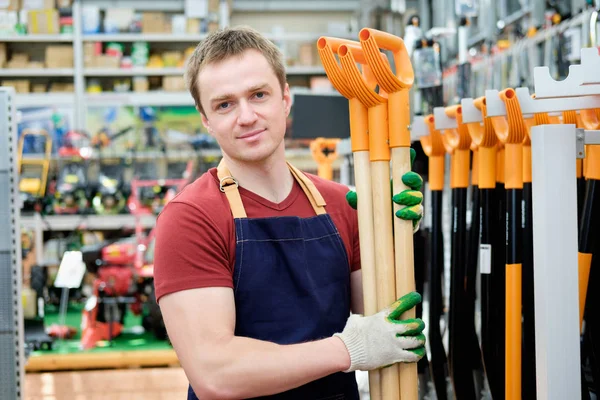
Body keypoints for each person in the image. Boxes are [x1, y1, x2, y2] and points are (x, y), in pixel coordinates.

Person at [153, 26, 426, 400]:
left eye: (258, 95)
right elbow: (215, 373)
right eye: (225, 104)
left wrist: (399, 234)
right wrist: (347, 350)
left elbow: (388, 314)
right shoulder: (191, 218)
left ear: (284, 98)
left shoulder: (344, 203)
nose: (246, 116)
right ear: (205, 119)